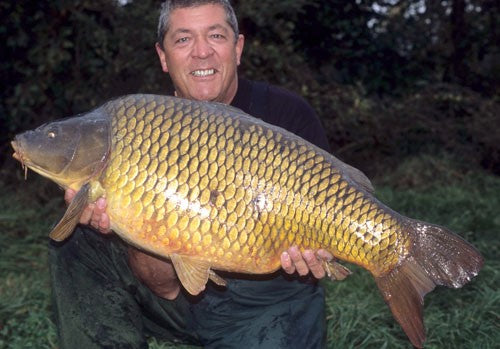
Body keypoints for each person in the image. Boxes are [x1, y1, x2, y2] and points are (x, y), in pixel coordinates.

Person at [51, 1, 334, 348]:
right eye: (183, 39)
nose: (202, 52)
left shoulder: (289, 115)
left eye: (215, 35)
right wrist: (128, 225)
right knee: (75, 237)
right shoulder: (140, 125)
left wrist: (322, 246)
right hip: (168, 299)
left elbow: (332, 219)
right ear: (163, 56)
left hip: (261, 301)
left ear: (238, 47)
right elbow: (165, 285)